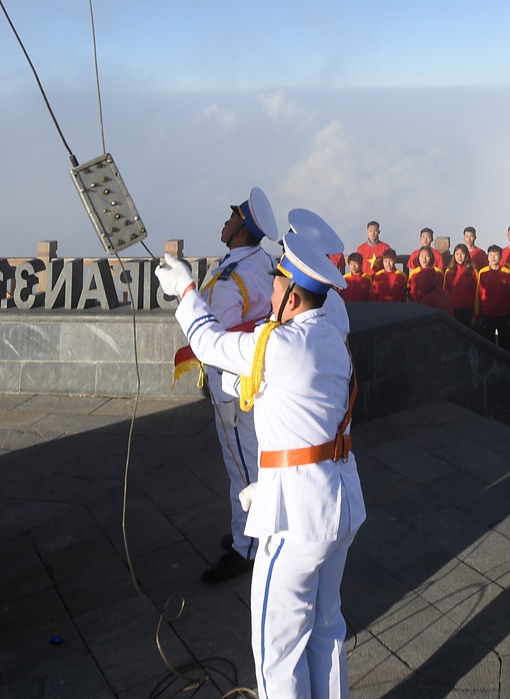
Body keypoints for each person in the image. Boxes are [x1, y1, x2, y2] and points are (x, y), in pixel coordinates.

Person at [159, 208, 363, 699]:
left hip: (296, 518)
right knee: (326, 628)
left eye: (275, 284)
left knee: (278, 649)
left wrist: (186, 290)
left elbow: (208, 342)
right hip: (339, 503)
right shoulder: (330, 336)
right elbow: (289, 400)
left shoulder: (279, 345)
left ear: (291, 296)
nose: (269, 292)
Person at [191, 189, 282, 584]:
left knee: (243, 468)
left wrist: (186, 299)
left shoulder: (233, 277)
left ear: (241, 230)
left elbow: (216, 339)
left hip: (234, 384)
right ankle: (252, 531)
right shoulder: (263, 262)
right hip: (257, 378)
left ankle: (249, 548)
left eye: (232, 217)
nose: (225, 221)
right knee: (256, 460)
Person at [475, 246, 510, 353]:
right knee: (488, 347)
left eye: (495, 255)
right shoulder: (482, 272)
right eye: (490, 255)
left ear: (501, 257)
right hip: (487, 314)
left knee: (506, 346)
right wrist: (477, 314)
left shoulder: (507, 272)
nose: (493, 258)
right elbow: (478, 294)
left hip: (503, 314)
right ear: (487, 257)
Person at [408, 244, 447, 309]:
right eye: (422, 256)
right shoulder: (413, 273)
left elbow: (441, 290)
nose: (424, 259)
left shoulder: (438, 273)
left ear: (431, 257)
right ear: (418, 258)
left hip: (434, 306)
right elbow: (412, 291)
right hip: (417, 306)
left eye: (427, 256)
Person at [446, 243, 477, 326]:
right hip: (453, 309)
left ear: (466, 255)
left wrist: (475, 314)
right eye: (457, 254)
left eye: (462, 254)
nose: (459, 257)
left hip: (468, 309)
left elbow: (476, 294)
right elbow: (446, 292)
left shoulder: (473, 272)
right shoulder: (449, 272)